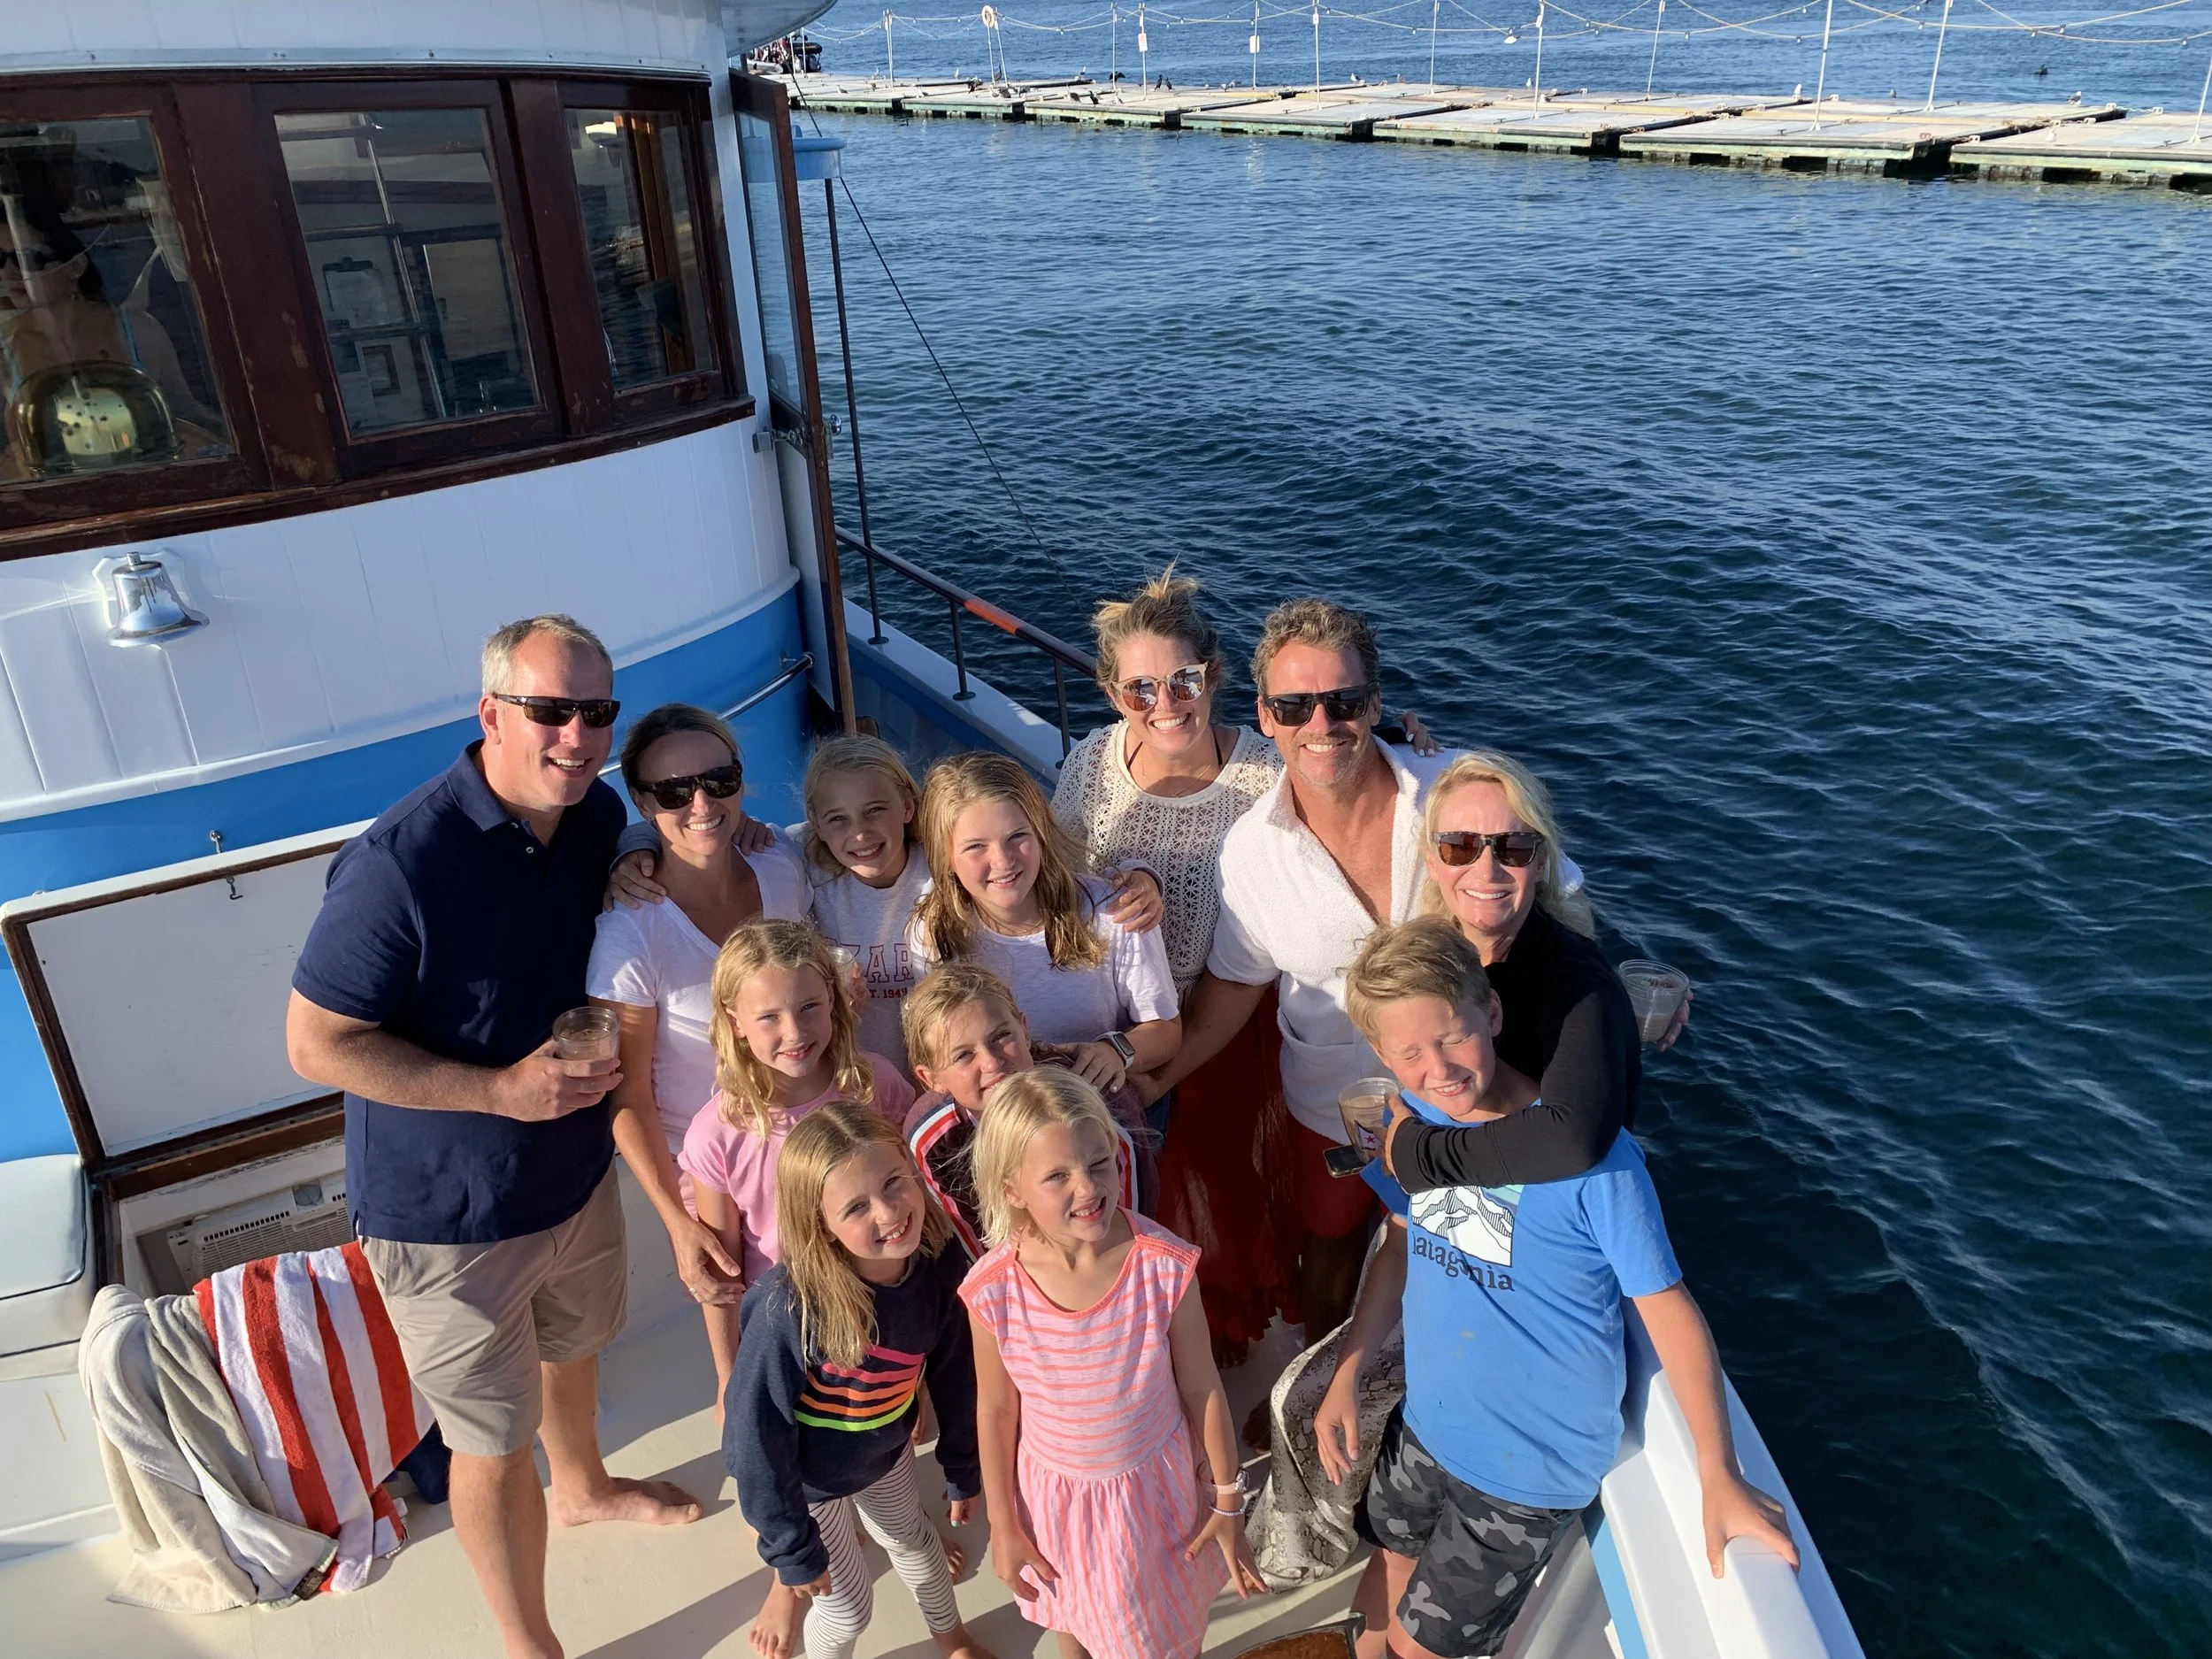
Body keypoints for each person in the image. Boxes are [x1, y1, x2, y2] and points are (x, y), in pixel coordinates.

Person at [285, 615, 698, 1659]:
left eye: (595, 713)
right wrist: (497, 1091)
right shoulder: (400, 863)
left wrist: (644, 852)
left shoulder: (598, 816)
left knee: (574, 1349)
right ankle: (529, 1643)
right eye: (548, 711)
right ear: (490, 716)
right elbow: (316, 1044)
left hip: (572, 1176)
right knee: (491, 1443)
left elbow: (651, 842)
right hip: (445, 1220)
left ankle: (590, 1490)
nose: (576, 736)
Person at [1316, 919, 1795, 1659]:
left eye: (1451, 1037)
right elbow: (1404, 1240)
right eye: (1408, 1052)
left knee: (1419, 1650)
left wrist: (1718, 1470)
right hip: (1427, 1429)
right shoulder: (1414, 1129)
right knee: (1381, 1583)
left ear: (1494, 1014)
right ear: (1382, 1058)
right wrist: (1351, 1368)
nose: (1437, 1067)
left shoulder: (1597, 1164)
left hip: (1523, 1471)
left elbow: (1667, 1309)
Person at [1145, 598, 1470, 1340]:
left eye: (1343, 701)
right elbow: (1235, 979)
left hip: (1462, 1094)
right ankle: (1319, 1378)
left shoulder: (1453, 793)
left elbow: (1555, 900)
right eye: (1295, 706)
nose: (1320, 725)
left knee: (1457, 1246)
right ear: (1265, 717)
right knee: (1328, 1243)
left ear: (1375, 703)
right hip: (1333, 1101)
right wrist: (1157, 1075)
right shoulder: (1253, 851)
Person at [959, 1070, 1266, 1659]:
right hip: (1055, 1504)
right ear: (1013, 1188)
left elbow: (1201, 1386)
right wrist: (1004, 1524)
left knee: (1156, 1640)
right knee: (1070, 1615)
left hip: (1149, 1503)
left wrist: (1229, 1499)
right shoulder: (993, 1291)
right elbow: (997, 1409)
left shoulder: (1164, 1267)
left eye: (1099, 1163)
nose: (1088, 1187)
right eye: (1058, 1175)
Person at [725, 1102, 995, 1659]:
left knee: (918, 1547)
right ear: (819, 1224)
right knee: (848, 1608)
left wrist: (963, 1468)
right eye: (855, 1206)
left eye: (895, 1181)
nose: (889, 1211)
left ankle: (953, 1640)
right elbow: (753, 1438)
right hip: (809, 1484)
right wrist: (789, 1544)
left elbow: (954, 1374)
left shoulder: (938, 1265)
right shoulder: (787, 1311)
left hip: (887, 1453)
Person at [1381, 749, 1685, 1198]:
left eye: (1514, 847)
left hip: (1558, 1225)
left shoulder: (1578, 985)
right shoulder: (1432, 959)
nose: (1486, 870)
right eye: (1459, 846)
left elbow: (1574, 1137)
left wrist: (1419, 1156)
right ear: (1431, 860)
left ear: (1542, 863)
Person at [587, 704, 811, 1309]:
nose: (702, 804)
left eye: (719, 781)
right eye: (674, 791)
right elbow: (628, 1096)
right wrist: (677, 1223)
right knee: (745, 1368)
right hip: (716, 1188)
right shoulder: (631, 932)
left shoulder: (781, 868)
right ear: (641, 800)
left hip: (816, 1151)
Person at [678, 918, 913, 1417]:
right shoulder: (714, 1136)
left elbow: (915, 1209)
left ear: (834, 998)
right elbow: (724, 1272)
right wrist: (730, 1378)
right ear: (734, 1020)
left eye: (809, 1007)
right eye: (769, 1017)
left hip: (886, 1323)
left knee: (888, 1464)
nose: (794, 1032)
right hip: (790, 1330)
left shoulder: (878, 1087)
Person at [908, 750, 1181, 1097]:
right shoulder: (931, 932)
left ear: (1040, 833)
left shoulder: (1114, 911)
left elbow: (1166, 1030)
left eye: (1016, 837)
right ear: (946, 859)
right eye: (976, 847)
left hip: (1093, 1111)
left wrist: (1116, 1051)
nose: (1002, 861)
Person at [898, 962, 1145, 1256]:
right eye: (964, 1055)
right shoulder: (934, 1141)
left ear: (1024, 1029)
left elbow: (1130, 1234)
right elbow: (979, 1253)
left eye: (1001, 1037)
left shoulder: (1092, 1099)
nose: (991, 1062)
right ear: (931, 1078)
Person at [795, 733, 932, 1071]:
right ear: (817, 824)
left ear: (907, 806)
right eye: (838, 819)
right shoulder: (799, 862)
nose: (859, 833)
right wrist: (642, 840)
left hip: (935, 1079)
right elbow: (729, 841)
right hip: (848, 1078)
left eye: (874, 811)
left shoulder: (940, 867)